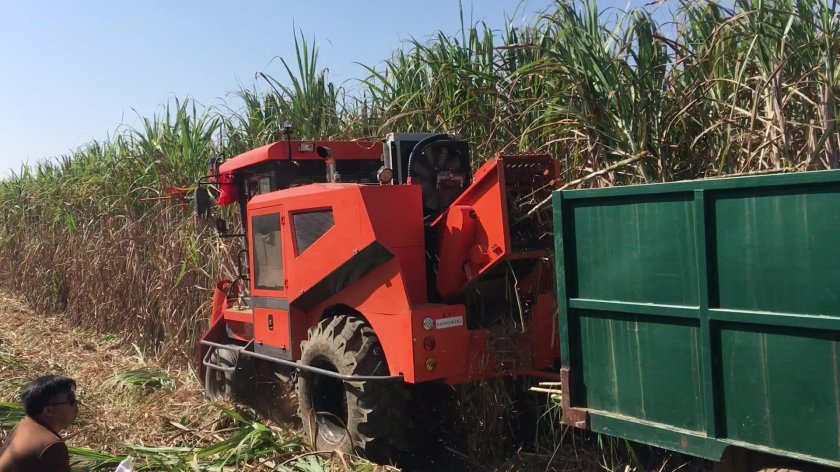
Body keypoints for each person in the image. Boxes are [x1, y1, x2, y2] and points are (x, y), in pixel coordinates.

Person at [0, 375, 79, 472]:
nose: (76, 404)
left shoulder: (25, 424)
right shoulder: (52, 446)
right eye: (71, 400)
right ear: (49, 410)